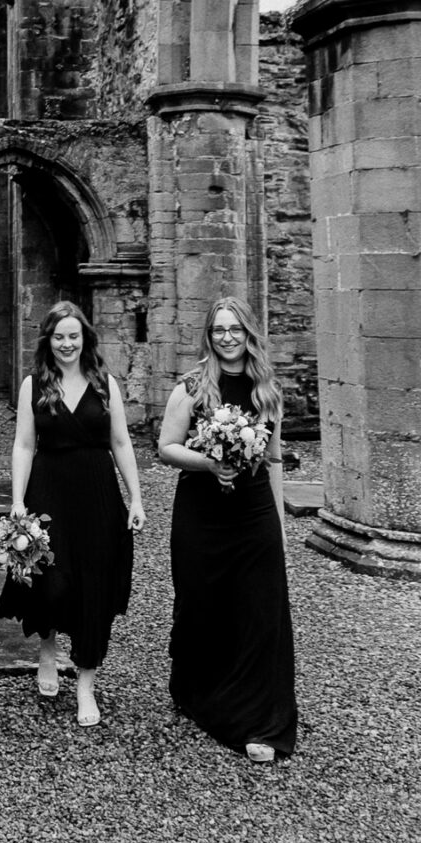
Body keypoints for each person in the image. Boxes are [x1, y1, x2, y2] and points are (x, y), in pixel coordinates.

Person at [158, 294, 297, 762]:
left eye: (235, 329)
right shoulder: (193, 387)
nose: (227, 337)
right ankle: (199, 691)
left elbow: (274, 460)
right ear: (209, 335)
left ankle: (261, 720)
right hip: (203, 513)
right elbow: (166, 447)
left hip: (253, 513)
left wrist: (277, 529)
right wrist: (208, 462)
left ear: (249, 333)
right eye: (218, 329)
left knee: (261, 612)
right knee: (204, 604)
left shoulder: (267, 391)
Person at [0, 301, 145, 727]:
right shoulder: (34, 384)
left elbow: (121, 443)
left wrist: (135, 498)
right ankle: (47, 647)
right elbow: (24, 445)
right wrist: (18, 500)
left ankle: (86, 684)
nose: (66, 344)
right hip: (49, 492)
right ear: (49, 340)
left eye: (73, 336)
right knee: (52, 582)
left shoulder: (105, 383)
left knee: (94, 588)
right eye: (59, 336)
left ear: (85, 339)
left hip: (97, 493)